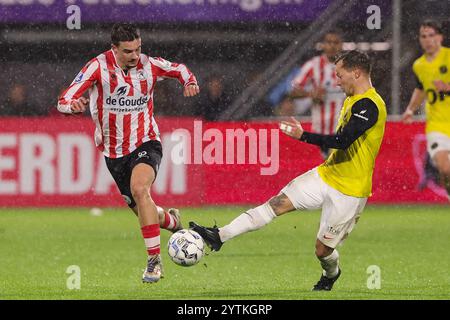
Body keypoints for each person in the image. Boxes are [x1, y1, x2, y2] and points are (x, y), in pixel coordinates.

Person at [190, 50, 386, 291]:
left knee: (322, 250)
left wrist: (302, 135)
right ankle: (219, 236)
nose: (336, 80)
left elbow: (342, 140)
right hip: (326, 175)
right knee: (276, 204)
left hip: (350, 190)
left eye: (339, 75)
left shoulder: (370, 105)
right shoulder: (351, 99)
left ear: (356, 73)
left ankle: (331, 274)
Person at [57, 23, 200, 283]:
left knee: (140, 190)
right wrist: (73, 105)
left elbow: (179, 69)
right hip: (114, 154)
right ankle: (171, 221)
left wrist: (189, 80)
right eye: (128, 51)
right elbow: (64, 99)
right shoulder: (96, 67)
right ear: (114, 49)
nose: (135, 56)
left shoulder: (150, 65)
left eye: (138, 49)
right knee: (146, 210)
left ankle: (154, 262)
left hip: (146, 141)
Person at [402, 20, 450, 200]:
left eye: (431, 35)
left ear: (440, 37)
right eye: (424, 36)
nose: (428, 40)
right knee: (445, 169)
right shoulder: (419, 65)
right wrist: (410, 110)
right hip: (437, 125)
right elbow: (421, 88)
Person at [288, 31, 346, 158]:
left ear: (341, 45)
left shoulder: (349, 66)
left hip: (345, 130)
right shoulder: (313, 65)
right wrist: (311, 93)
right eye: (328, 42)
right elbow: (292, 92)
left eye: (335, 42)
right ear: (323, 45)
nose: (332, 46)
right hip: (322, 131)